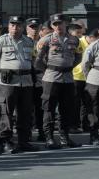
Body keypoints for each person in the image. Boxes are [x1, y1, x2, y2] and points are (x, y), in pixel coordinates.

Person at [34, 14, 82, 149]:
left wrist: (67, 67)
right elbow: (38, 61)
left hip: (67, 78)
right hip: (51, 78)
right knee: (48, 109)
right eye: (55, 24)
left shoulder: (74, 40)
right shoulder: (45, 40)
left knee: (66, 109)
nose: (58, 26)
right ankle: (49, 138)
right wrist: (50, 70)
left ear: (65, 23)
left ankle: (65, 137)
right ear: (51, 26)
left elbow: (78, 57)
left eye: (60, 23)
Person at [0, 16, 39, 154]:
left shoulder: (29, 41)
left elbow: (32, 60)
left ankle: (24, 141)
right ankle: (6, 142)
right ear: (8, 26)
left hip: (25, 82)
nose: (15, 28)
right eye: (12, 25)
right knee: (6, 113)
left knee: (25, 113)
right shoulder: (0, 41)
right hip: (8, 82)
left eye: (18, 25)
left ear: (22, 27)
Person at [26, 18, 45, 141]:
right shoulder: (23, 41)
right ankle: (26, 134)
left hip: (40, 78)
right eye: (31, 27)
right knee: (25, 108)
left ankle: (42, 132)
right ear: (27, 28)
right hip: (26, 77)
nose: (34, 30)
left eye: (36, 27)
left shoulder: (43, 42)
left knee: (41, 107)